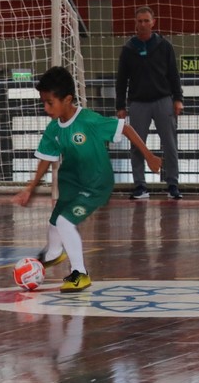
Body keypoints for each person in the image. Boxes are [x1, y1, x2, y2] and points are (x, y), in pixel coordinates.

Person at [13, 66, 162, 293]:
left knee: (64, 222)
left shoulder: (89, 121)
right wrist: (30, 188)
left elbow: (126, 128)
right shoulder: (53, 129)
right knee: (54, 221)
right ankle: (53, 253)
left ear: (67, 99)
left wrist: (149, 156)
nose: (45, 108)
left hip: (96, 184)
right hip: (71, 184)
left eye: (50, 103)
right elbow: (45, 160)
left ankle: (80, 274)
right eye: (43, 103)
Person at [115, 6, 184, 200]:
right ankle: (140, 185)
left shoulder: (164, 46)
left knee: (170, 143)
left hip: (163, 100)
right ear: (135, 23)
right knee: (137, 145)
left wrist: (178, 99)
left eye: (146, 20)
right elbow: (122, 80)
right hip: (138, 103)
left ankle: (172, 184)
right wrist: (120, 106)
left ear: (153, 22)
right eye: (140, 21)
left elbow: (173, 74)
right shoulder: (128, 49)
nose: (143, 24)